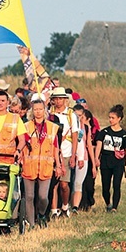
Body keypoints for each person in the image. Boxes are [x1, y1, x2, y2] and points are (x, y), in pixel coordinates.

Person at [21, 97, 62, 229]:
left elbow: (56, 148)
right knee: (29, 196)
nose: (38, 112)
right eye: (35, 109)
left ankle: (42, 214)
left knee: (43, 197)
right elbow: (22, 144)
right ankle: (32, 224)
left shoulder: (52, 127)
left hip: (46, 166)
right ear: (32, 111)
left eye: (40, 109)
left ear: (45, 110)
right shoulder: (26, 126)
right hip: (29, 165)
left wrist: (59, 165)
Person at [96, 104, 126, 213]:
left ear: (119, 119)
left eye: (113, 118)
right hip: (105, 161)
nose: (110, 120)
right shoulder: (104, 133)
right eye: (109, 117)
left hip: (118, 162)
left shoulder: (124, 135)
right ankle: (108, 203)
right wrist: (96, 159)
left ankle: (114, 208)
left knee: (116, 185)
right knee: (105, 187)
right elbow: (98, 146)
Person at [49, 87, 79, 218]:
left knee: (64, 184)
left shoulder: (71, 115)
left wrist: (74, 155)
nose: (58, 101)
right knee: (53, 184)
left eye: (61, 98)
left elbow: (75, 135)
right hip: (51, 152)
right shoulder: (48, 113)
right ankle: (54, 210)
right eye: (56, 98)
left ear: (65, 100)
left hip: (66, 152)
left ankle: (65, 206)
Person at [69, 104, 97, 214]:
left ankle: (75, 207)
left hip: (83, 158)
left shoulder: (85, 128)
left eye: (81, 116)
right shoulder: (70, 126)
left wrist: (93, 164)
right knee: (69, 183)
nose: (78, 118)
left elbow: (88, 145)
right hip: (70, 155)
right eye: (76, 115)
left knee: (78, 183)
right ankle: (68, 205)